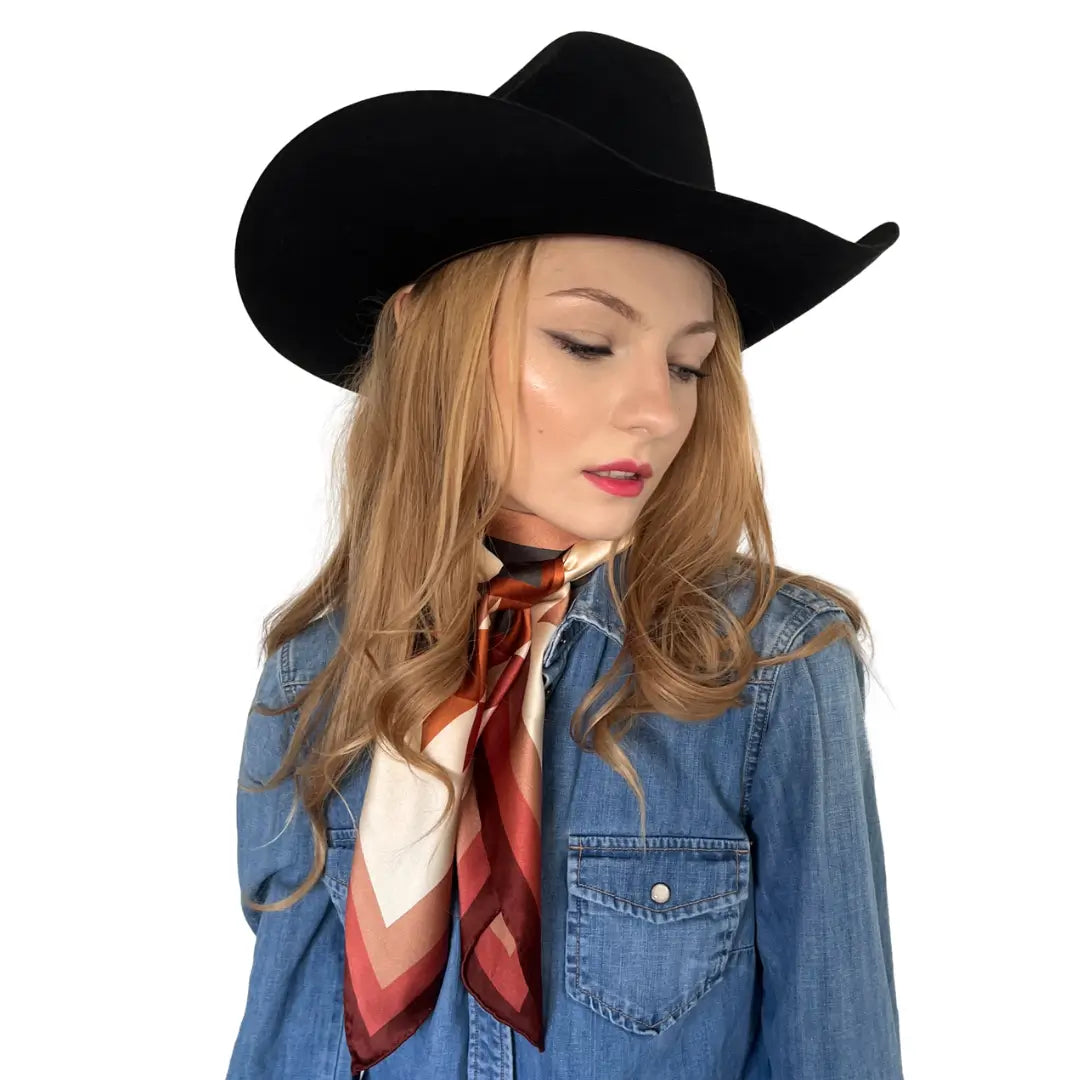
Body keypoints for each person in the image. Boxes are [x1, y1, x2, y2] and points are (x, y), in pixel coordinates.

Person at [227, 30, 904, 1080]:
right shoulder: (316, 675)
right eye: (589, 344)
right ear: (430, 337)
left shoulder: (767, 672)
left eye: (688, 365)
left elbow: (838, 1054)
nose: (654, 410)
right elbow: (280, 1044)